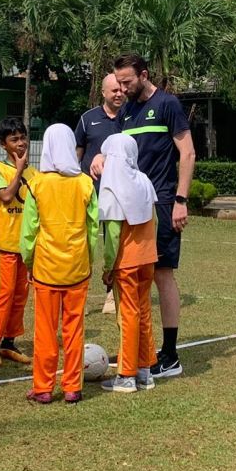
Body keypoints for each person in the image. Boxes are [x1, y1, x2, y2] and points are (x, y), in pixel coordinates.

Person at [91, 53, 195, 380]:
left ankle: (170, 353)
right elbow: (116, 150)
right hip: (128, 207)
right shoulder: (126, 112)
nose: (121, 89)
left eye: (127, 82)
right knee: (131, 277)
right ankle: (139, 350)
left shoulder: (167, 105)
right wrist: (98, 157)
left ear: (144, 75)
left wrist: (180, 199)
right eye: (117, 83)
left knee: (162, 273)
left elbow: (188, 152)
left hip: (161, 203)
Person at [20, 124, 98, 404]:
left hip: (46, 268)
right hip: (77, 267)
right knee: (74, 329)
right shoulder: (85, 183)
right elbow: (93, 229)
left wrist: (29, 261)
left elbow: (29, 231)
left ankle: (43, 387)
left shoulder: (37, 184)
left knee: (45, 330)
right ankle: (72, 386)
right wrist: (88, 259)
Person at [98, 134, 158, 393]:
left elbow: (112, 235)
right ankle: (145, 371)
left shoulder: (111, 185)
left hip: (126, 262)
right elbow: (154, 219)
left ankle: (126, 375)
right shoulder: (144, 180)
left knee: (128, 316)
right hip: (148, 257)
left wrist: (108, 267)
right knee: (144, 313)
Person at [0, 117, 36, 368]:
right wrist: (18, 169)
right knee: (3, 295)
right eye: (14, 139)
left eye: (23, 137)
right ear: (3, 144)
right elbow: (5, 196)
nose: (21, 143)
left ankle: (9, 342)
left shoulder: (35, 174)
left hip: (26, 247)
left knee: (20, 296)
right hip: (6, 245)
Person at [75, 73, 124, 315]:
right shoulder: (88, 119)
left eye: (121, 89)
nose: (118, 93)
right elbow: (77, 153)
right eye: (113, 90)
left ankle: (110, 295)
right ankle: (79, 296)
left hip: (118, 195)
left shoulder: (131, 118)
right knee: (84, 245)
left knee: (113, 244)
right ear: (103, 93)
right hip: (89, 192)